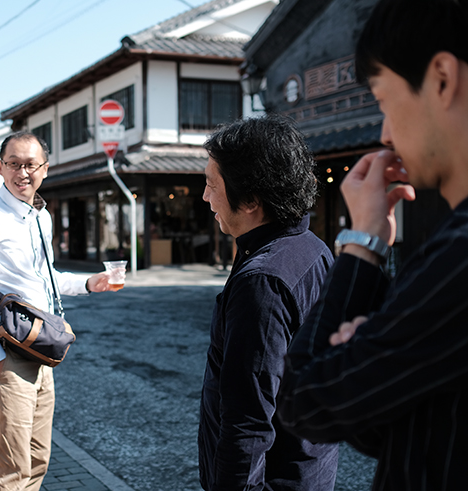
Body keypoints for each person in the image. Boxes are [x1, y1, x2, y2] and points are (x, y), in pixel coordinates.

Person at [276, 1, 468, 489]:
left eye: (382, 100)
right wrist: (366, 357)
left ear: (442, 78)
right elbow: (399, 424)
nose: (383, 132)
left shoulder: (457, 256)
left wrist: (362, 245)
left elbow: (306, 400)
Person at [0, 131, 115, 490]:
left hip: (39, 345)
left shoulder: (39, 217)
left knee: (37, 457)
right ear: (0, 167)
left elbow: (44, 279)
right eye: (13, 164)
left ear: (45, 169)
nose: (21, 172)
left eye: (30, 164)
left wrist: (89, 283)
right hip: (6, 349)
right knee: (11, 466)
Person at [197, 116, 339, 491]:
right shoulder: (313, 248)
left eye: (213, 185)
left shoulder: (262, 281)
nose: (205, 196)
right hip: (311, 463)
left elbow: (249, 421)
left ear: (251, 199)